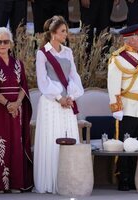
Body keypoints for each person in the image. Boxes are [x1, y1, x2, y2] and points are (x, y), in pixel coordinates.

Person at [33, 15, 84, 194]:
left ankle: (68, 180)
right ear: (53, 33)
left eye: (66, 31)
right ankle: (50, 181)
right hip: (51, 102)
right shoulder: (42, 53)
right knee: (52, 139)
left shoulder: (68, 52)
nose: (66, 35)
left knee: (68, 137)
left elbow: (74, 76)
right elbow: (43, 80)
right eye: (63, 31)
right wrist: (58, 97)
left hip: (67, 102)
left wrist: (71, 95)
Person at [0, 27, 33, 193]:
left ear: (10, 43)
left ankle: (16, 183)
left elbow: (23, 86)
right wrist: (8, 104)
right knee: (0, 144)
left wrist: (16, 104)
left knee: (16, 143)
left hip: (16, 110)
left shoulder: (18, 63)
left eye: (5, 41)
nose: (2, 44)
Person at [107, 23, 138, 191]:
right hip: (127, 108)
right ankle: (123, 179)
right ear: (132, 39)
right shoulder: (118, 58)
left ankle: (134, 178)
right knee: (125, 145)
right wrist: (116, 107)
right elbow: (113, 84)